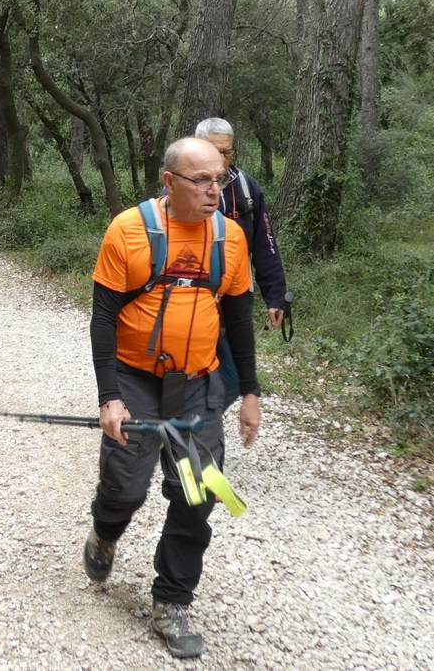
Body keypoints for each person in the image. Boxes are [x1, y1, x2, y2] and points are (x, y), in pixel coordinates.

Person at [85, 136, 259, 659]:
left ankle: (173, 600)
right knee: (125, 488)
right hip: (137, 381)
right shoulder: (129, 231)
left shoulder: (230, 239)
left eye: (220, 179)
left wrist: (249, 392)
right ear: (169, 182)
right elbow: (103, 318)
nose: (214, 191)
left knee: (198, 493)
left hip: (198, 386)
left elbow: (238, 319)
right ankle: (104, 531)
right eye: (201, 180)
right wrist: (109, 397)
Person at [194, 118, 289, 331]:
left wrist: (276, 297)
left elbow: (265, 245)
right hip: (192, 292)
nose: (221, 158)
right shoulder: (181, 188)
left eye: (226, 152)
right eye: (213, 151)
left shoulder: (247, 187)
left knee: (237, 358)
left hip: (238, 293)